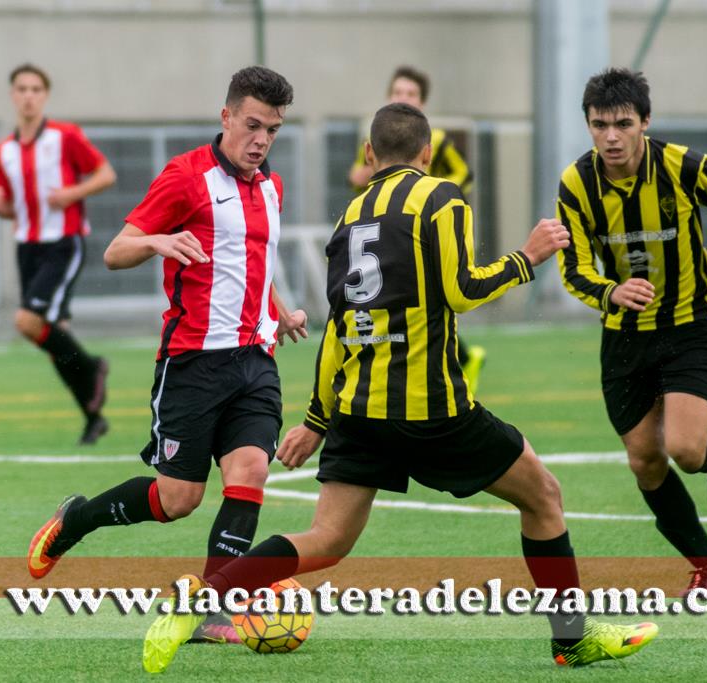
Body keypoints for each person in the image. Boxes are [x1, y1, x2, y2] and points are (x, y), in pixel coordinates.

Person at [141, 102, 658, 674]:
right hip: (431, 408)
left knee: (327, 539)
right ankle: (571, 638)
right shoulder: (441, 197)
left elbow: (338, 328)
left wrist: (317, 421)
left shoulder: (349, 218)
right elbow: (463, 290)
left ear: (369, 156)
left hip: (359, 412)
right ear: (427, 155)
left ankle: (204, 599)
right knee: (545, 498)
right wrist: (526, 258)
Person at [26, 66, 308, 644]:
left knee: (251, 470)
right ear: (226, 116)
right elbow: (115, 250)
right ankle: (77, 518)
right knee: (178, 499)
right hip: (192, 365)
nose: (261, 140)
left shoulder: (271, 186)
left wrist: (278, 311)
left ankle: (211, 610)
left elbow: (252, 264)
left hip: (255, 361)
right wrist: (157, 241)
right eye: (252, 125)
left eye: (273, 130)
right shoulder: (185, 177)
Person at [556, 68, 707, 595]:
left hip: (689, 325)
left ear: (644, 123)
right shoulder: (576, 183)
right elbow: (574, 268)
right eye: (599, 124)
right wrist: (611, 292)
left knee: (686, 451)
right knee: (644, 460)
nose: (611, 137)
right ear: (588, 125)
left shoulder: (682, 166)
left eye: (622, 124)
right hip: (625, 338)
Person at [0, 63, 116, 445]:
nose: (28, 95)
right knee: (54, 335)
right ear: (13, 95)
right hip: (27, 245)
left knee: (27, 322)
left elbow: (106, 174)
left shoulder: (65, 136)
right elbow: (7, 203)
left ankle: (93, 369)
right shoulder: (4, 150)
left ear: (45, 95)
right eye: (22, 88)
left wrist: (72, 194)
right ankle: (93, 417)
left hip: (63, 242)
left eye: (36, 89)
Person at [348, 66, 486, 392]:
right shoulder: (375, 140)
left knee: (437, 296)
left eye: (410, 94)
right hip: (389, 234)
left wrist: (429, 197)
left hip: (429, 233)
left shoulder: (434, 141)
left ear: (422, 102)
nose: (402, 98)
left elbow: (464, 176)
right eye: (397, 93)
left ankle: (451, 363)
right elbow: (358, 179)